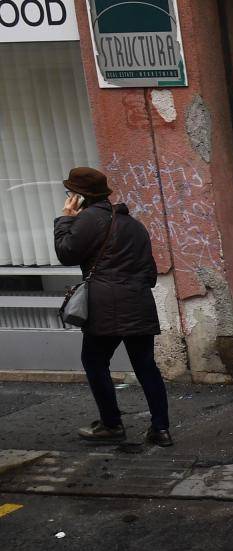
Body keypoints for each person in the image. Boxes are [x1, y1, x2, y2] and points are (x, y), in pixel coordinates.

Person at [54, 167, 170, 446]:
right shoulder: (134, 225)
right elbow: (150, 274)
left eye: (71, 193)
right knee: (146, 367)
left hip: (105, 309)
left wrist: (64, 220)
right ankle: (161, 429)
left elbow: (66, 253)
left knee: (94, 362)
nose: (69, 197)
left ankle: (111, 424)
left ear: (79, 197)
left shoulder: (86, 221)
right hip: (139, 304)